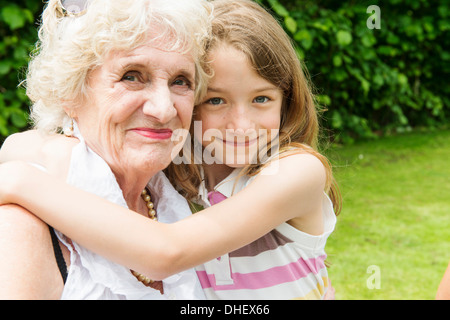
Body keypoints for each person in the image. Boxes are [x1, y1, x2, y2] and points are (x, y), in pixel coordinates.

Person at [0, 0, 341, 299]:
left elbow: (167, 252)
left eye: (262, 99)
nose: (240, 125)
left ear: (288, 100)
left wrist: (18, 181)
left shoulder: (296, 171)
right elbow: (20, 144)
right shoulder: (182, 172)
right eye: (217, 100)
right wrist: (46, 154)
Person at [0, 0, 211, 299]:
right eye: (132, 76)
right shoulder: (20, 227)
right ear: (70, 92)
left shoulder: (176, 202)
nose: (164, 110)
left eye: (181, 81)